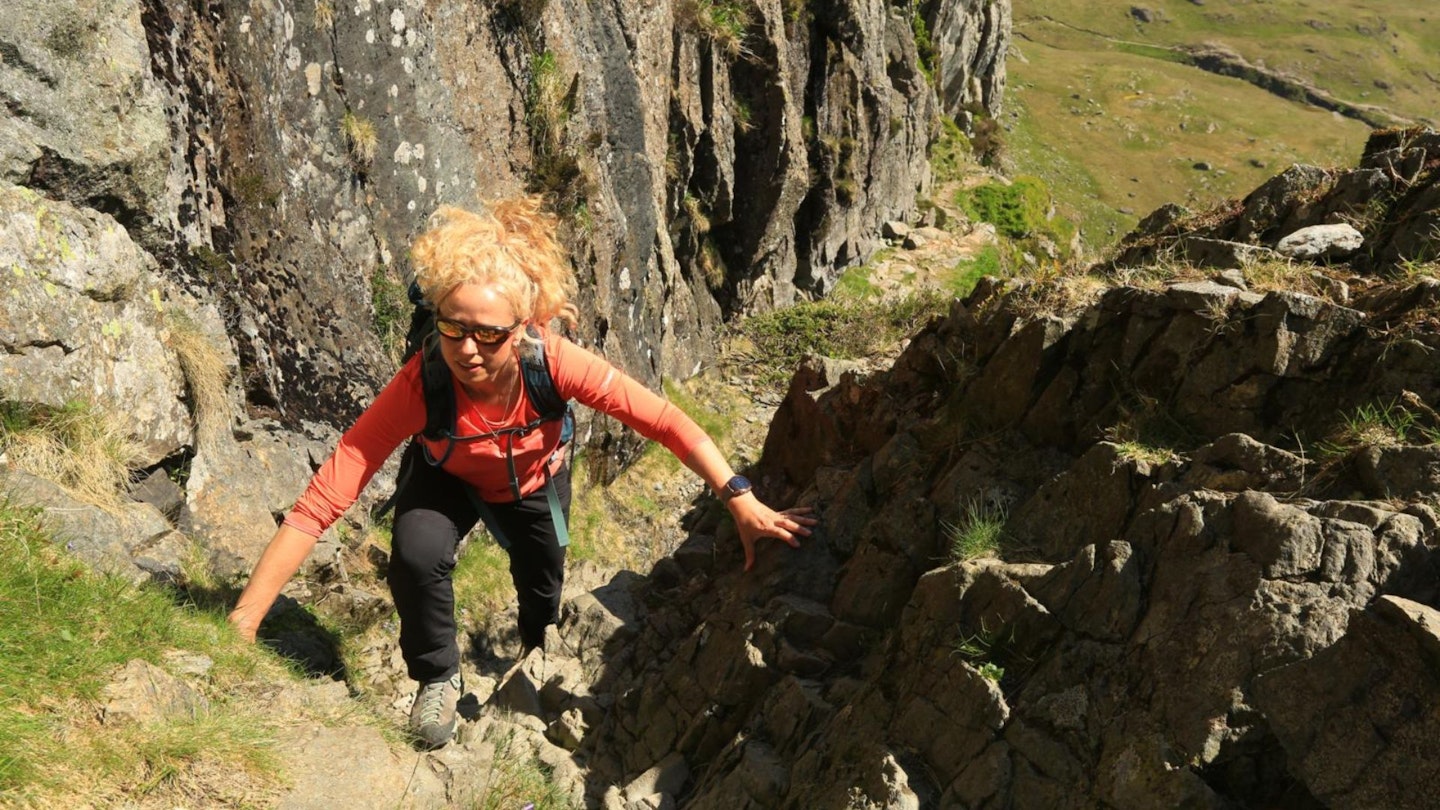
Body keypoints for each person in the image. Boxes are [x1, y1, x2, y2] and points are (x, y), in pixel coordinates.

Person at [227, 196, 816, 749]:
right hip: (447, 475)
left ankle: (537, 651)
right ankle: (438, 680)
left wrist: (738, 495)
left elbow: (664, 422)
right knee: (414, 553)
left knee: (543, 586)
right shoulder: (422, 382)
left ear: (522, 327)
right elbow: (324, 497)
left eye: (490, 333)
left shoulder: (554, 362)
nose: (468, 349)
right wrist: (245, 622)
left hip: (535, 482)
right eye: (453, 326)